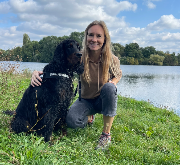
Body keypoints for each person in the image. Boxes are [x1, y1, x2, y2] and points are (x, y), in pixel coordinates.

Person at [31, 20, 122, 150]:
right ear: (86, 37)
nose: (94, 39)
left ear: (105, 39)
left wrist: (113, 82)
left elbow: (118, 74)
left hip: (102, 100)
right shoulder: (79, 55)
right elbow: (58, 67)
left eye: (99, 36)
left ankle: (106, 134)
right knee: (72, 121)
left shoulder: (112, 59)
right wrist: (36, 73)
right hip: (85, 100)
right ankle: (89, 116)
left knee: (109, 87)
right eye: (91, 35)